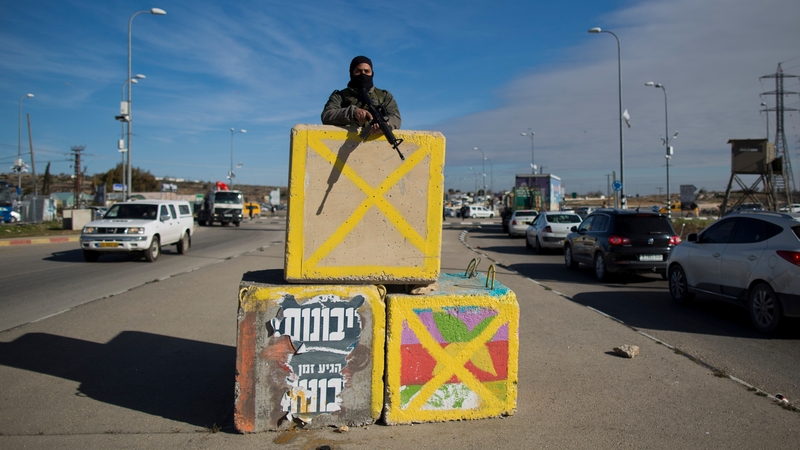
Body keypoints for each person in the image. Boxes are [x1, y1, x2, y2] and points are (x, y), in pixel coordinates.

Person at [321, 56, 401, 134]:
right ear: (352, 73)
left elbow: (396, 117)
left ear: (372, 73)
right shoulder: (340, 96)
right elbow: (326, 116)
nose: (363, 74)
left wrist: (385, 124)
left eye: (367, 71)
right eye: (358, 71)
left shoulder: (384, 96)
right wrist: (352, 113)